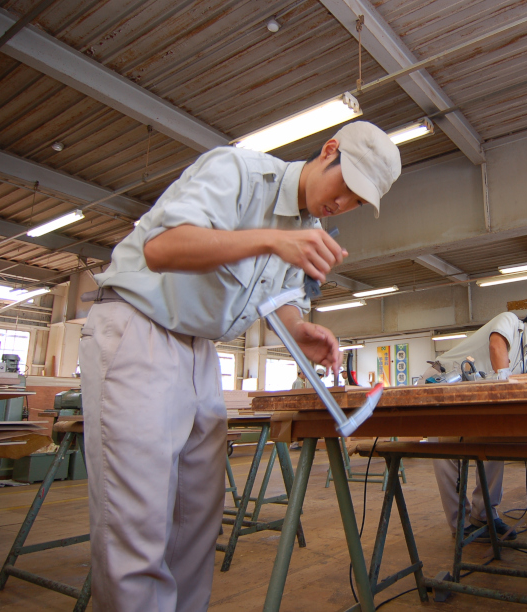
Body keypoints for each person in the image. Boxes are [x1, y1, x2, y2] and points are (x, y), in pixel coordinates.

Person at [79, 121, 401, 611]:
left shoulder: (306, 230)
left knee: (198, 519)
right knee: (136, 521)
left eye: (358, 202)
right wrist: (269, 241)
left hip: (199, 350)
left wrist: (299, 330)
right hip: (138, 328)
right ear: (328, 150)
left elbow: (276, 299)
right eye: (346, 186)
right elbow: (161, 248)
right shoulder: (239, 171)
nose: (343, 205)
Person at [419, 303, 527, 541]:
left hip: (477, 400)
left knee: (494, 445)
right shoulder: (510, 321)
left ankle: (484, 514)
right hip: (443, 384)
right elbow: (497, 346)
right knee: (447, 455)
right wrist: (505, 388)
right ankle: (460, 523)